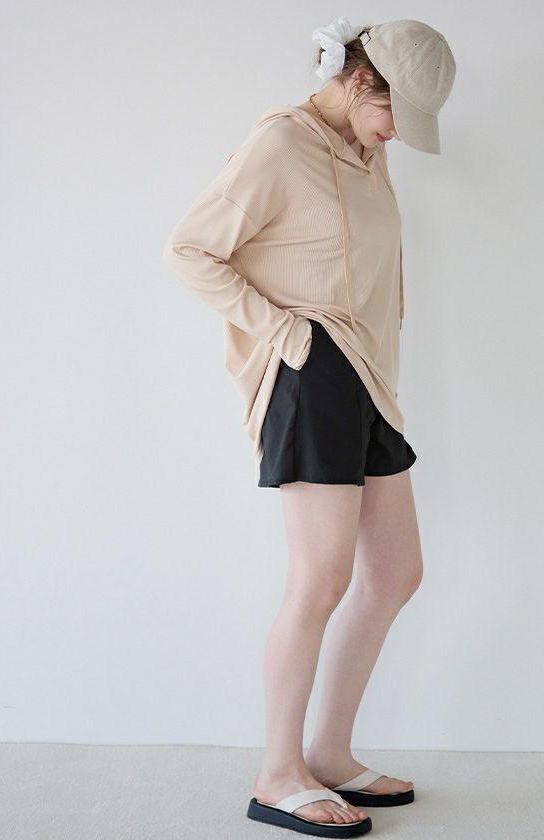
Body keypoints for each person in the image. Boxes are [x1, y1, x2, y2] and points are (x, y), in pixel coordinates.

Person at [163, 17, 456, 838]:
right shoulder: (282, 144)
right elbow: (189, 250)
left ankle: (327, 752)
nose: (397, 134)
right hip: (314, 369)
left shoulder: (366, 150)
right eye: (394, 112)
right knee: (321, 579)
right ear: (360, 80)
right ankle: (277, 773)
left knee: (395, 572)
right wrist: (288, 335)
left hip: (367, 378)